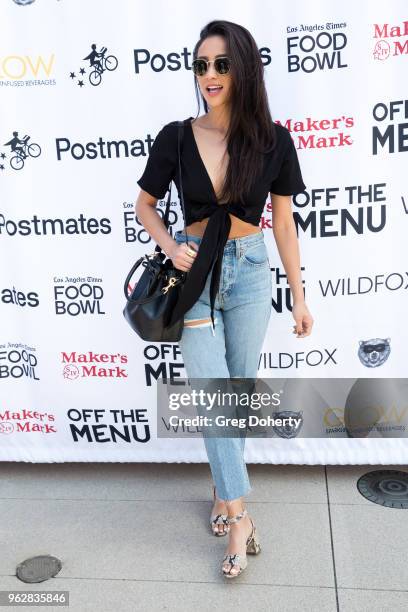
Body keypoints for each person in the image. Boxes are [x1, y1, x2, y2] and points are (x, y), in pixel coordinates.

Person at [135, 19, 314, 579]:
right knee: (212, 397)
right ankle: (240, 518)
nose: (209, 76)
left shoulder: (272, 140)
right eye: (201, 66)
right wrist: (171, 243)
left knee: (234, 395)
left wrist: (301, 297)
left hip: (252, 271)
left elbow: (283, 224)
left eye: (220, 64)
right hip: (194, 274)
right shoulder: (176, 136)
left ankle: (221, 491)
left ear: (243, 68)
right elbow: (145, 206)